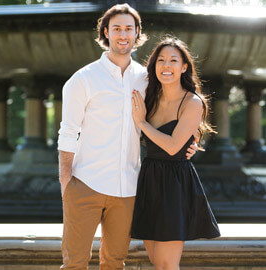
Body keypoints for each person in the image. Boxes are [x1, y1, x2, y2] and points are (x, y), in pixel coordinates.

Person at [58, 4, 197, 269]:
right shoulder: (83, 79)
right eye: (117, 29)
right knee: (74, 263)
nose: (123, 35)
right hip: (86, 182)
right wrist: (66, 182)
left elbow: (173, 113)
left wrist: (191, 141)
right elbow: (67, 131)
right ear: (106, 33)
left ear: (137, 34)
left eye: (129, 29)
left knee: (115, 262)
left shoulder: (147, 80)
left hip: (128, 188)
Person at [130, 36, 221, 270]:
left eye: (173, 60)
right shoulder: (149, 95)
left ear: (184, 67)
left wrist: (142, 123)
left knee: (167, 264)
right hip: (149, 178)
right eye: (161, 60)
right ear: (154, 66)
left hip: (175, 184)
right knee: (155, 260)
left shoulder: (192, 102)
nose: (166, 66)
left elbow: (172, 146)